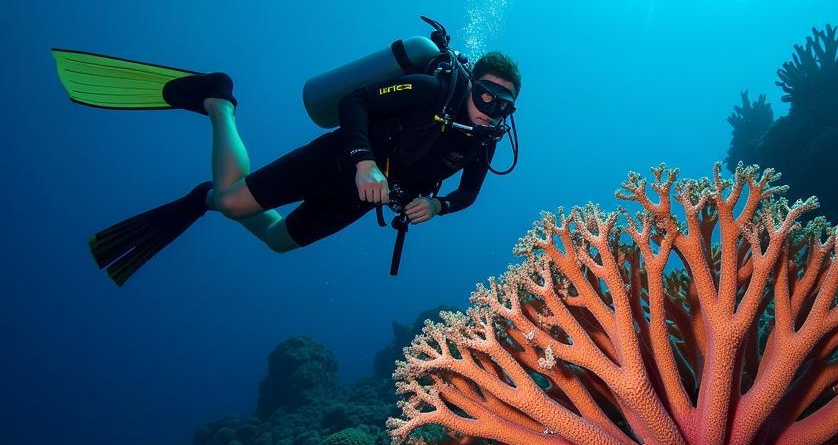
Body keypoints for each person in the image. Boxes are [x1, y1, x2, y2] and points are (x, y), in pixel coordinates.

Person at [51, 42, 520, 284]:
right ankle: (219, 100)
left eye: (503, 105)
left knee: (279, 241)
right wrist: (362, 162)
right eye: (485, 94)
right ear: (471, 84)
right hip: (336, 162)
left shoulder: (486, 139)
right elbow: (355, 100)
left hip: (361, 200)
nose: (489, 109)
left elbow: (469, 193)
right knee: (234, 205)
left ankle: (207, 196)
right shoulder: (431, 90)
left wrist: (437, 207)